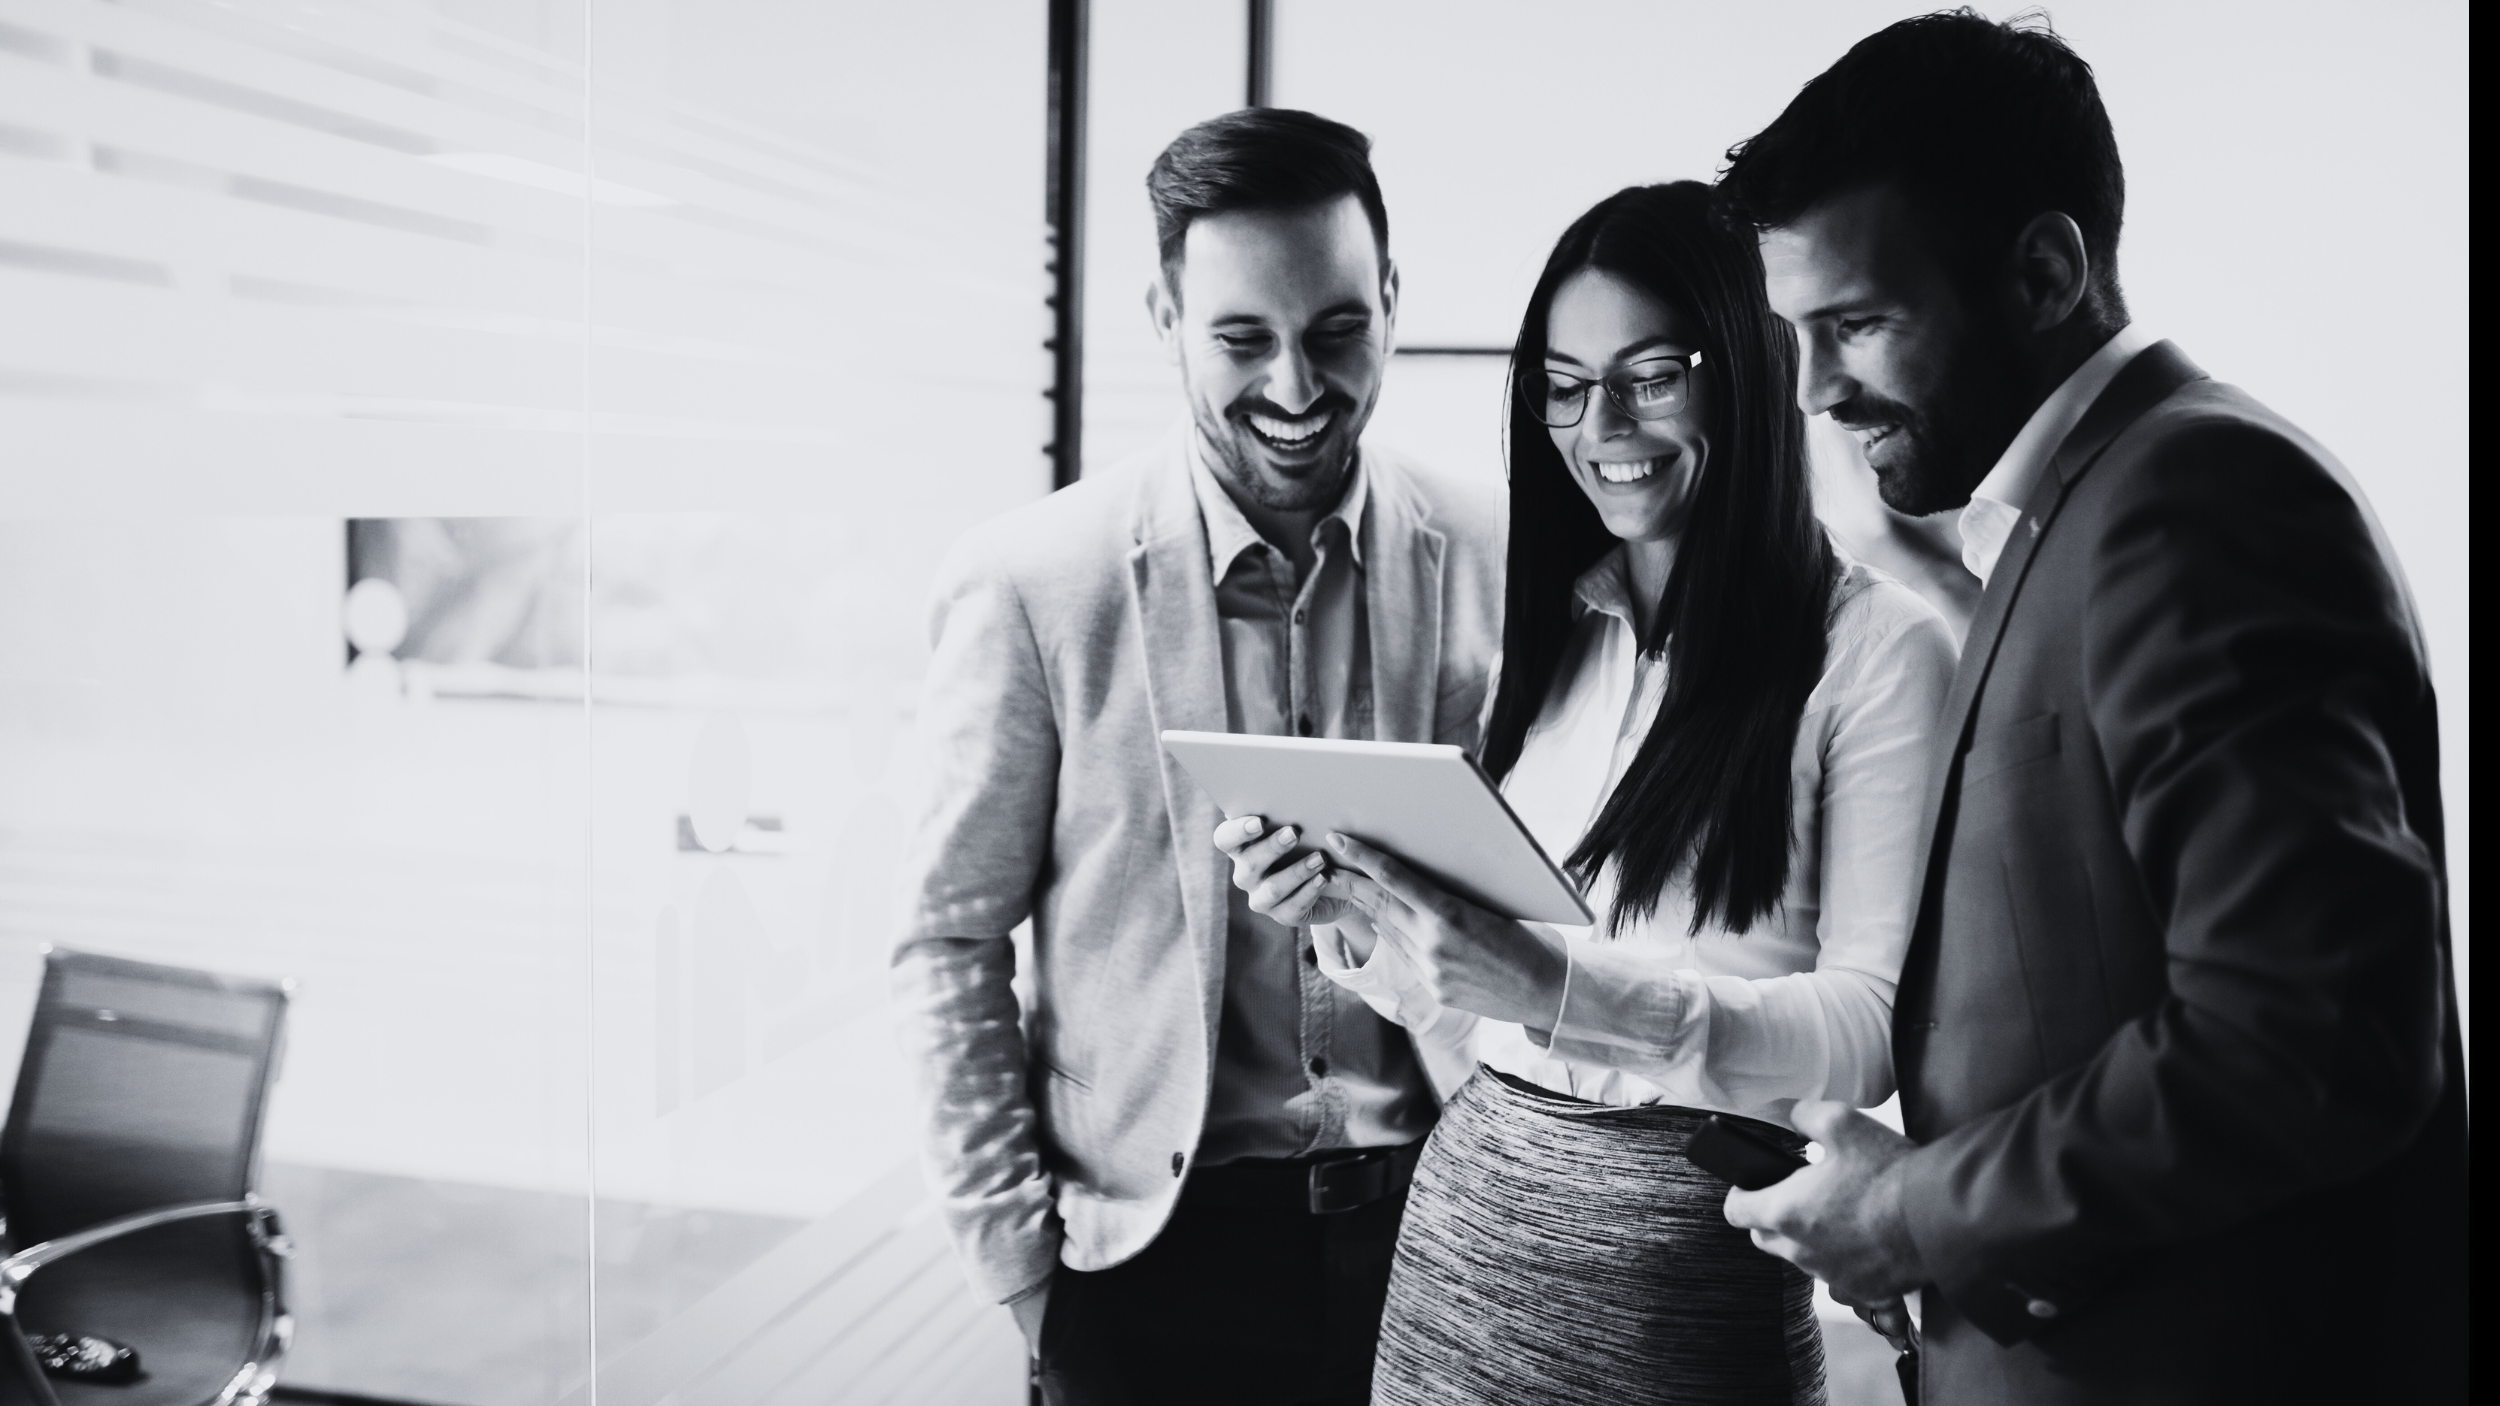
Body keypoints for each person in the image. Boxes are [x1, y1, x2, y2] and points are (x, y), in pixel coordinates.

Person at [1712, 13, 2466, 1404]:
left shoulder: (2192, 505)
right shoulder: (2066, 519)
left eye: (1857, 325)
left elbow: (2309, 1035)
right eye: (1794, 337)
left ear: (2047, 270)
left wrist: (1913, 1210)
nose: (1816, 391)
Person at [1219, 181, 1957, 1405]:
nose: (1597, 423)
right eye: (1562, 385)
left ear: (1752, 366)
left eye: (1649, 373)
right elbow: (1483, 1013)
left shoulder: (1879, 651)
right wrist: (1357, 921)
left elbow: (1869, 1031)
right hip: (1462, 1248)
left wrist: (1553, 985)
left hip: (1681, 1278)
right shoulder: (1558, 628)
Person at [889, 108, 1502, 1406]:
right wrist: (1023, 1273)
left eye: (1338, 330)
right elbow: (947, 941)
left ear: (1391, 299)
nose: (1293, 387)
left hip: (1445, 1231)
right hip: (1147, 1271)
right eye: (1242, 338)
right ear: (1164, 318)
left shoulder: (1499, 554)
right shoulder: (1029, 585)